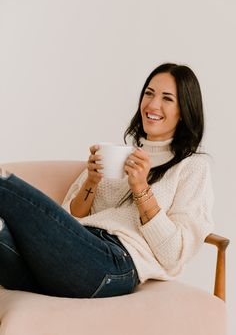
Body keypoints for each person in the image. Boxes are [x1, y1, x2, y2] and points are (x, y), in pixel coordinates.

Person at [0, 63, 214, 298]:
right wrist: (91, 181)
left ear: (184, 111)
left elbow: (173, 255)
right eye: (149, 93)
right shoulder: (119, 154)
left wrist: (141, 189)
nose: (153, 105)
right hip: (70, 254)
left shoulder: (192, 166)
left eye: (167, 98)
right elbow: (70, 218)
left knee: (5, 187)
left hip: (113, 264)